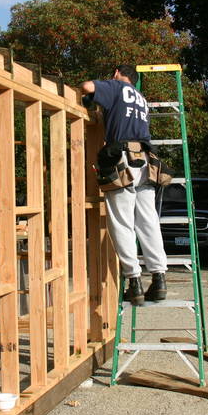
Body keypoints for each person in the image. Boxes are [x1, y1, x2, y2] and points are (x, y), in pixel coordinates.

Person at [79, 65, 167, 305]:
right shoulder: (141, 98)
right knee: (148, 221)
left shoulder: (118, 87)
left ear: (117, 73)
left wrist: (87, 97)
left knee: (121, 222)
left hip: (123, 161)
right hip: (145, 162)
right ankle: (159, 280)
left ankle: (134, 282)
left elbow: (87, 86)